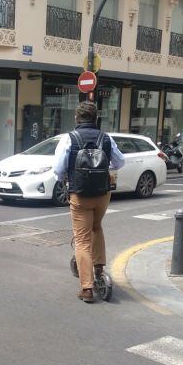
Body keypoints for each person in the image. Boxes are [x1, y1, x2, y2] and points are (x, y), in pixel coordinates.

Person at [54, 101, 125, 303]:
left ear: (77, 118)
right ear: (96, 118)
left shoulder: (69, 139)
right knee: (97, 227)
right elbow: (119, 162)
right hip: (102, 194)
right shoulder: (106, 138)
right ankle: (99, 268)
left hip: (80, 194)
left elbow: (58, 170)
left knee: (82, 239)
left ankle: (86, 288)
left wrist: (67, 178)